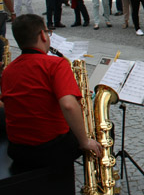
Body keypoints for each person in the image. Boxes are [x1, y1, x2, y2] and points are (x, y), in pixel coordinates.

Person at [0, 14, 102, 172]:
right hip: (51, 148)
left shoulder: (8, 71)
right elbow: (68, 105)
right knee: (98, 131)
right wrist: (84, 141)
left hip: (18, 149)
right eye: (48, 32)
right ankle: (101, 180)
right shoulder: (56, 64)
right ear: (43, 35)